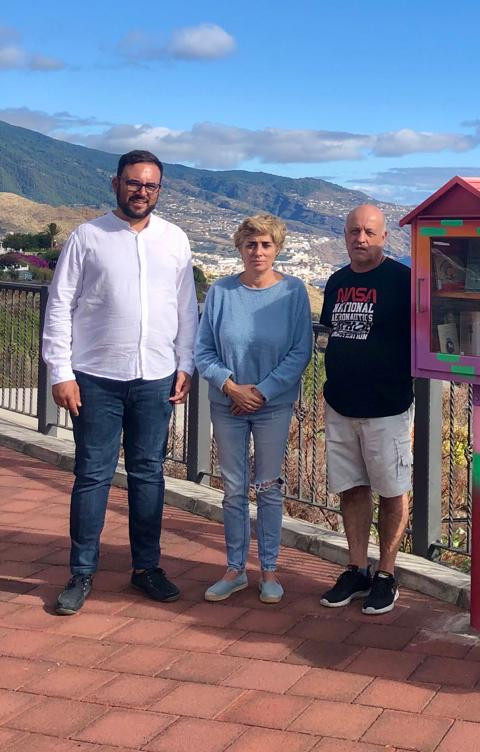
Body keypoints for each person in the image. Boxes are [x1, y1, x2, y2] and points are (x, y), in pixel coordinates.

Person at [42, 149, 198, 614]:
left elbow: (186, 308)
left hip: (156, 376)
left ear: (159, 190)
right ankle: (82, 572)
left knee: (149, 473)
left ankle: (146, 568)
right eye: (133, 183)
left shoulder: (175, 239)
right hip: (95, 378)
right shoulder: (87, 236)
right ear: (116, 184)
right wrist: (60, 371)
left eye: (150, 185)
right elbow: (59, 305)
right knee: (92, 475)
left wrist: (184, 364)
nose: (141, 192)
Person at [194, 215, 312, 604]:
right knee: (232, 489)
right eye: (250, 245)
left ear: (277, 248)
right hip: (227, 403)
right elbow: (203, 349)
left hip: (272, 406)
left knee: (269, 487)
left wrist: (260, 392)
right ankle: (234, 569)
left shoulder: (293, 293)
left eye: (265, 244)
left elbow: (300, 351)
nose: (258, 251)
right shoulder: (221, 292)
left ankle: (270, 571)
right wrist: (230, 385)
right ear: (240, 248)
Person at [319, 204, 412, 615]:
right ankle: (356, 567)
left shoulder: (403, 280)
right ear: (344, 235)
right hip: (340, 404)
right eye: (354, 232)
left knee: (392, 490)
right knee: (352, 488)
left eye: (369, 233)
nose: (360, 239)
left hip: (387, 408)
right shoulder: (336, 282)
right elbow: (328, 334)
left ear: (384, 237)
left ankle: (387, 573)